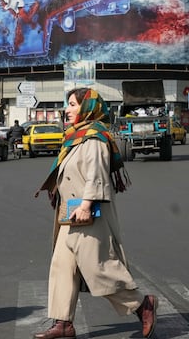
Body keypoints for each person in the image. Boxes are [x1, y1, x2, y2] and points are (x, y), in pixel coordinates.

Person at [34, 88, 157, 339]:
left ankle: (142, 304)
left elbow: (96, 174)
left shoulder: (94, 137)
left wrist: (87, 205)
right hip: (70, 211)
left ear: (87, 108)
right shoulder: (76, 137)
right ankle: (63, 324)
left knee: (97, 266)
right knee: (61, 266)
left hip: (88, 211)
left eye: (72, 105)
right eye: (67, 105)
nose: (66, 110)